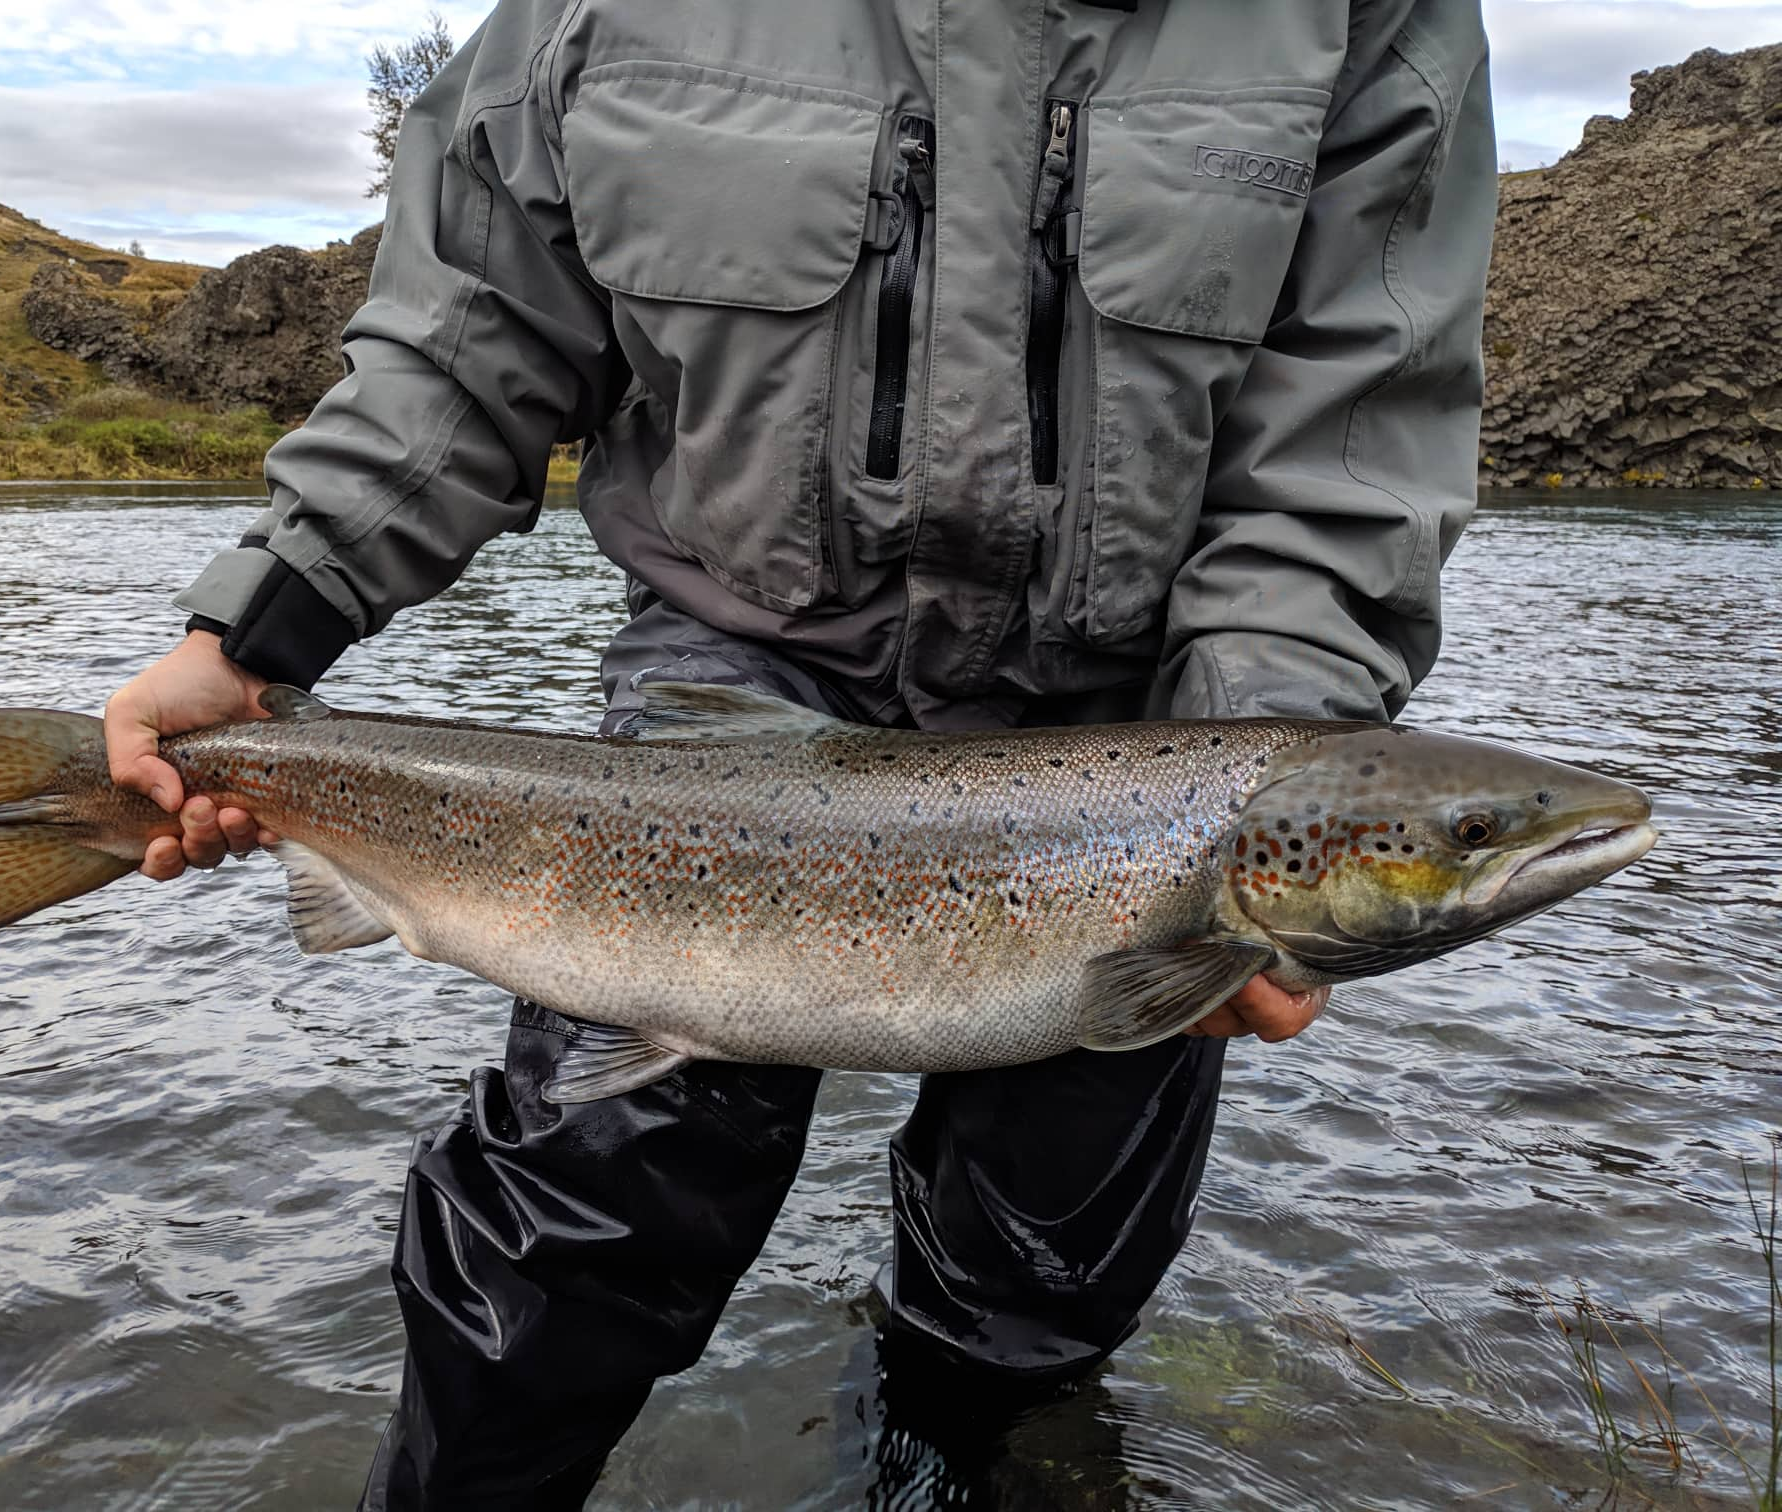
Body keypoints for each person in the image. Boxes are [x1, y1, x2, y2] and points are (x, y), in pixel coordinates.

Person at [104, 0, 1495, 1504]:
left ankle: (934, 1469)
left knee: (1040, 1279)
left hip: (1152, 728)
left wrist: (1253, 756)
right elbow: (466, 340)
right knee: (574, 1227)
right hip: (732, 662)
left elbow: (1348, 432)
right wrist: (255, 637)